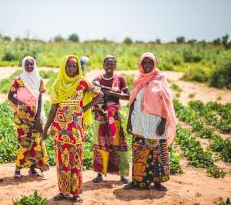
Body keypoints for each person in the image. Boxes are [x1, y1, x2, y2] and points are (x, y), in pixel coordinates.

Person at [42, 55, 103, 202]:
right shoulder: (58, 84)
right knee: (62, 161)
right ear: (64, 67)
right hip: (60, 128)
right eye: (68, 66)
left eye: (74, 66)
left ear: (78, 68)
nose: (71, 68)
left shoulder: (82, 82)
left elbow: (99, 94)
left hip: (76, 129)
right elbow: (53, 108)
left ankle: (75, 193)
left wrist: (85, 107)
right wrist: (45, 129)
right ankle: (63, 192)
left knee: (76, 161)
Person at [124, 52, 176, 191]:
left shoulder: (160, 79)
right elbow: (133, 102)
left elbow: (166, 103)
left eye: (150, 63)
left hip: (155, 122)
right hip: (139, 121)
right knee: (139, 151)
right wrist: (129, 121)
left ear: (154, 64)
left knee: (157, 152)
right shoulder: (139, 79)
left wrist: (163, 122)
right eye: (144, 63)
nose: (147, 66)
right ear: (141, 64)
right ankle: (137, 181)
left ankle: (158, 182)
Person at [8, 56, 49, 179]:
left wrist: (38, 117)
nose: (30, 67)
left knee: (36, 142)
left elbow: (40, 99)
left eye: (32, 64)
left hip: (35, 115)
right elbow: (10, 96)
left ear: (34, 65)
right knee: (23, 141)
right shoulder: (18, 80)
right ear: (23, 65)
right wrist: (19, 102)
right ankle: (18, 168)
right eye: (27, 64)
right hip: (21, 117)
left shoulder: (39, 80)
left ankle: (32, 169)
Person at [92, 55, 131, 184]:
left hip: (114, 117)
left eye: (112, 64)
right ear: (103, 66)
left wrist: (113, 94)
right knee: (100, 144)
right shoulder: (97, 80)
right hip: (99, 116)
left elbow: (128, 96)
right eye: (107, 64)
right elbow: (91, 96)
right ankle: (99, 173)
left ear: (115, 66)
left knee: (119, 143)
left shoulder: (120, 79)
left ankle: (123, 174)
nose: (110, 66)